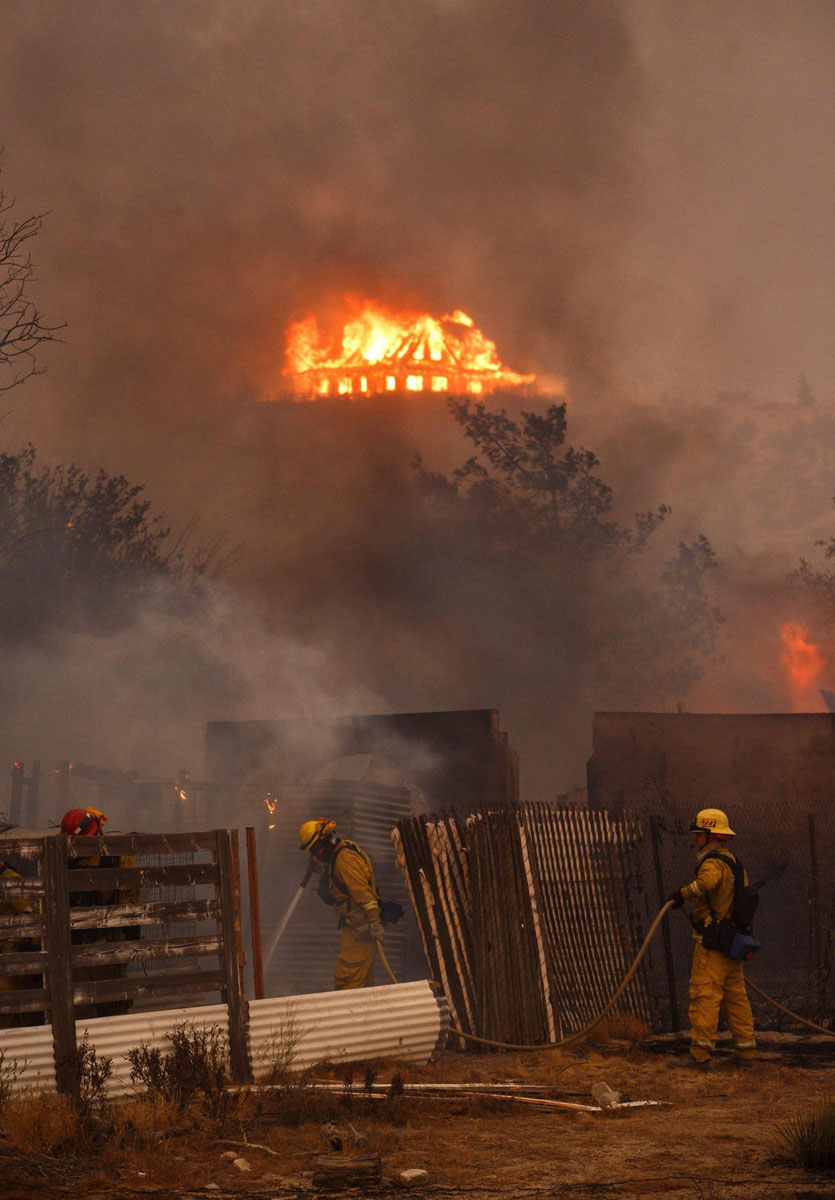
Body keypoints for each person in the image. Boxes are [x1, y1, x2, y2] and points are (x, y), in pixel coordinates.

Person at [667, 807, 756, 1069]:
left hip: (713, 942)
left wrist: (682, 894)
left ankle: (700, 1055)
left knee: (704, 994)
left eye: (699, 835)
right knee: (735, 997)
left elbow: (706, 884)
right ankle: (745, 1052)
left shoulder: (713, 862)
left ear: (710, 835)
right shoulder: (734, 861)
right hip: (732, 941)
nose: (696, 840)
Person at [61, 806, 139, 1018]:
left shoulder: (116, 855)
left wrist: (124, 928)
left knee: (111, 1002)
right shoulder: (66, 856)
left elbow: (130, 894)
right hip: (75, 942)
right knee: (79, 1004)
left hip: (107, 939)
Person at [299, 817, 385, 990]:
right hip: (354, 928)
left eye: (316, 851)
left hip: (361, 931)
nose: (315, 856)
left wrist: (374, 922)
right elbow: (339, 886)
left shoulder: (344, 860)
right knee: (365, 984)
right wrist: (323, 871)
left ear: (324, 843)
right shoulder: (339, 854)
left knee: (346, 984)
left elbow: (364, 894)